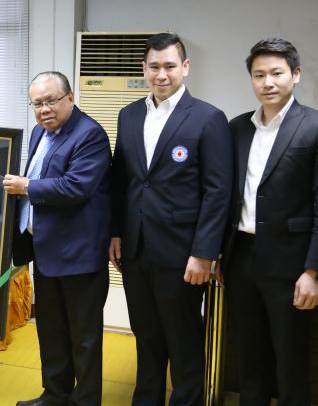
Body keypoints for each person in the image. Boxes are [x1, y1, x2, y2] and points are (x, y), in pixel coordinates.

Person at [219, 38, 318, 405]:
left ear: (296, 74)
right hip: (241, 258)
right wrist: (219, 254)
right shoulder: (237, 128)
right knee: (248, 357)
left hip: (291, 263)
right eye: (259, 75)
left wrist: (314, 271)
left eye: (276, 73)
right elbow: (228, 196)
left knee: (290, 361)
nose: (268, 82)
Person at [110, 33, 232, 406]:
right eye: (154, 67)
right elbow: (121, 180)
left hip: (182, 254)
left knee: (183, 341)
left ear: (185, 67)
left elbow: (218, 192)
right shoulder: (129, 115)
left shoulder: (208, 118)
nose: (161, 75)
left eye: (169, 66)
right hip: (135, 249)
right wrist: (115, 233)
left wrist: (204, 253)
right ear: (144, 69)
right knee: (145, 336)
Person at [4, 71, 112, 406]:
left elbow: (77, 186)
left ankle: (85, 401)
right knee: (51, 331)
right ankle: (54, 395)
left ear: (70, 98)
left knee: (84, 339)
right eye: (37, 103)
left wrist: (26, 186)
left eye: (51, 101)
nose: (44, 109)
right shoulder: (41, 131)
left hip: (79, 254)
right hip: (45, 250)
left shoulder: (90, 134)